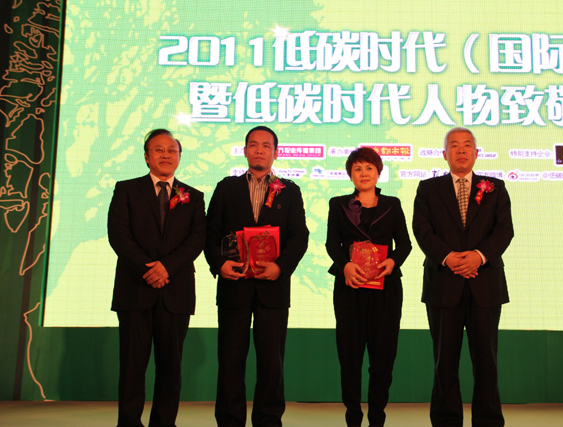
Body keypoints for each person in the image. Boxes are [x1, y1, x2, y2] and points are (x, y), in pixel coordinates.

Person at [204, 126, 309, 427]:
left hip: (272, 288)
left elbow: (299, 236)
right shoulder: (227, 188)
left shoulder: (289, 191)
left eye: (266, 145)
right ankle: (229, 420)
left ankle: (269, 420)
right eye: (253, 144)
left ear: (276, 152)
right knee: (230, 361)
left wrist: (281, 267)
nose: (259, 150)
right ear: (245, 150)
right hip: (234, 286)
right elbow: (210, 233)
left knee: (272, 363)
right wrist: (219, 265)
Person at [412, 128, 514, 427]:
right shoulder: (428, 189)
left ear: (476, 153)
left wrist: (478, 256)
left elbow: (504, 230)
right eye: (454, 145)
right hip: (444, 285)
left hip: (485, 285)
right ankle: (446, 421)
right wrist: (450, 258)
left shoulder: (495, 187)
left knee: (486, 362)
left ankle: (488, 421)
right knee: (445, 362)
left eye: (467, 145)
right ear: (444, 154)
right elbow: (422, 229)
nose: (461, 150)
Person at [108, 129, 206, 427]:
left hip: (175, 291)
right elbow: (118, 235)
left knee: (170, 368)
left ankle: (164, 423)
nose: (166, 155)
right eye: (159, 150)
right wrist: (148, 269)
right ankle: (128, 422)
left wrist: (167, 268)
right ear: (146, 156)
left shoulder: (193, 196)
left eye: (172, 150)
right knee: (132, 366)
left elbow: (197, 239)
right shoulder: (126, 189)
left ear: (179, 157)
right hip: (135, 289)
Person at [325, 147, 412, 427]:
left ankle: (377, 417)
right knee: (349, 357)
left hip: (386, 289)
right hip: (350, 288)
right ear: (350, 175)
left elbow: (405, 244)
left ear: (379, 172)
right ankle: (352, 416)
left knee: (383, 357)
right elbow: (332, 243)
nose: (364, 174)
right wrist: (345, 266)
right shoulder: (338, 204)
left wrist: (392, 261)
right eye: (358, 169)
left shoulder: (392, 204)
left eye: (369, 168)